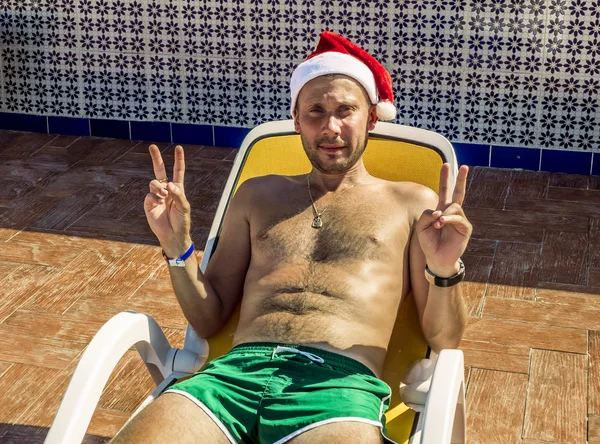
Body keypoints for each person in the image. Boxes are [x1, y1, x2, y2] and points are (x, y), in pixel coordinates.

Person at [111, 31, 471, 444]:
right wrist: (177, 247)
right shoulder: (257, 194)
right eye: (315, 111)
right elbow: (209, 318)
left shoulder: (411, 203)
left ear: (371, 117)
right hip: (230, 378)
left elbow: (444, 339)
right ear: (296, 119)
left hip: (338, 388)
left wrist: (444, 269)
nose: (331, 127)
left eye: (345, 110)